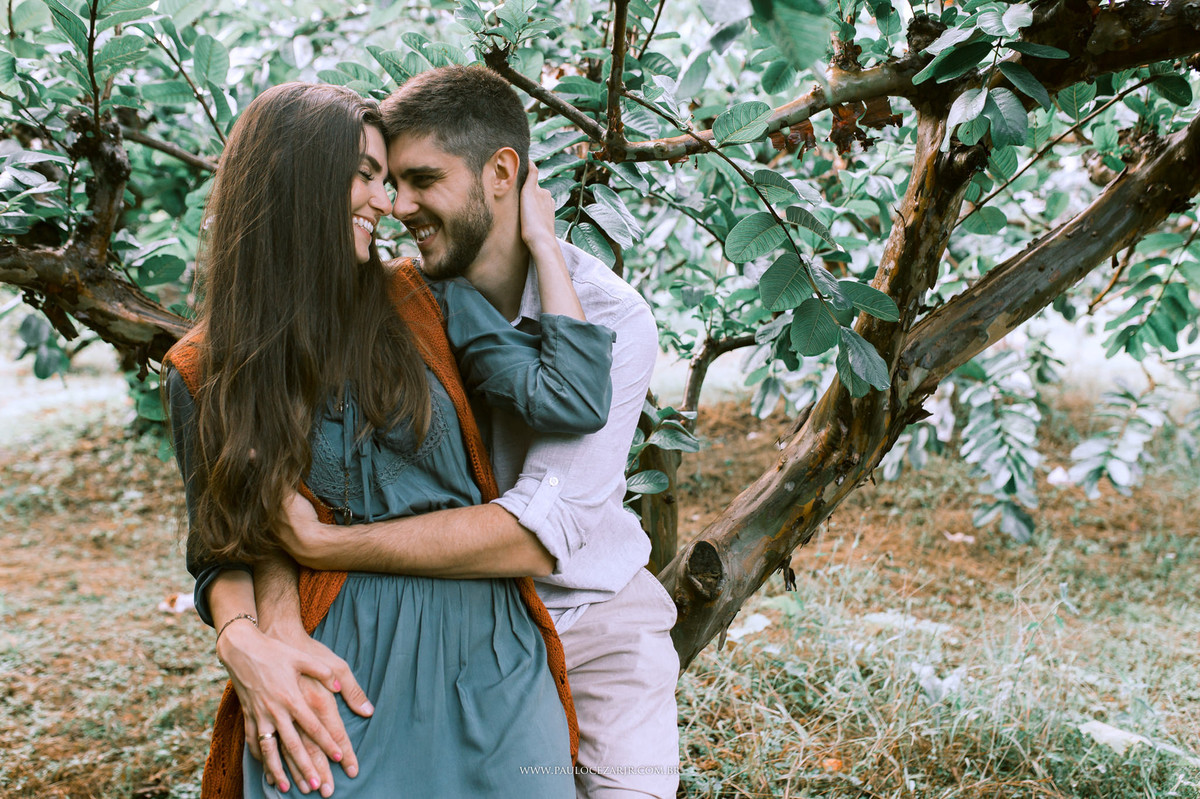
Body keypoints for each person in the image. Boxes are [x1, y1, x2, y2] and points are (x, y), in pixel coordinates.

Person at [231, 65, 681, 799]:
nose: (396, 205)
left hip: (591, 615)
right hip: (464, 620)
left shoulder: (611, 315)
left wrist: (323, 544)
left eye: (421, 180)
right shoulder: (414, 298)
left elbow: (540, 533)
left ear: (502, 173)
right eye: (386, 181)